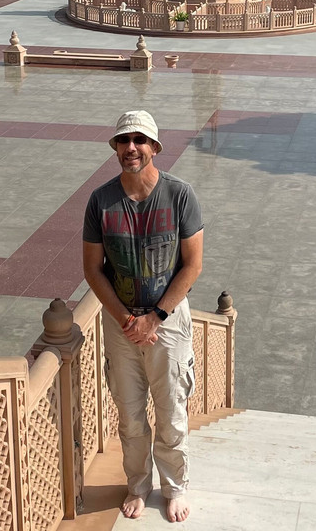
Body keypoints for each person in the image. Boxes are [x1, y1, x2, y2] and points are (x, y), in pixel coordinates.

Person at [83, 110, 203, 523]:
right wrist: (124, 318)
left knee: (171, 410)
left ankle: (175, 487)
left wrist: (155, 317)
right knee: (130, 414)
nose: (130, 148)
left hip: (167, 323)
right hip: (121, 326)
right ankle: (137, 485)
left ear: (154, 147)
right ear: (115, 147)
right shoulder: (101, 200)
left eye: (139, 140)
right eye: (123, 141)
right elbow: (92, 269)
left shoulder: (180, 195)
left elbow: (192, 266)